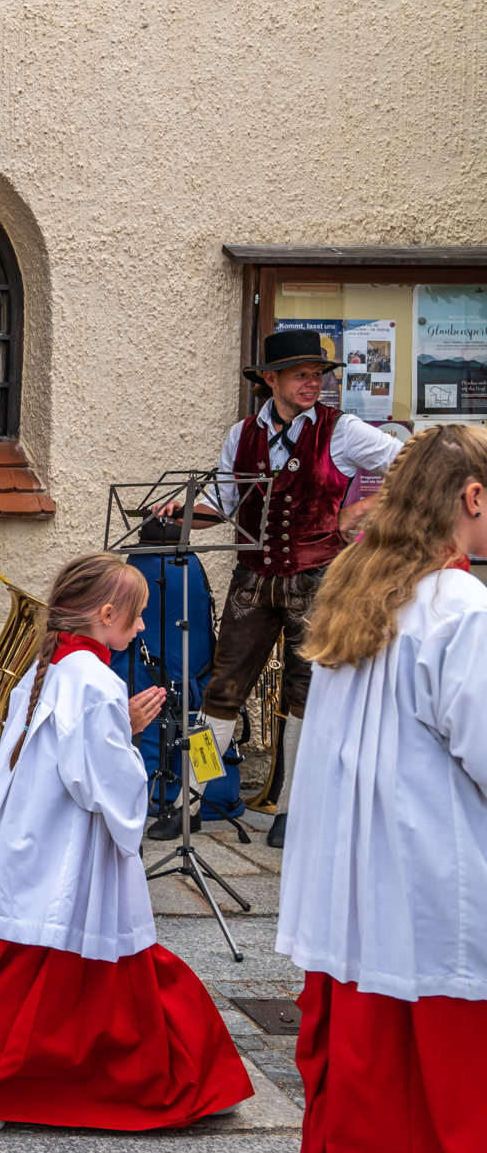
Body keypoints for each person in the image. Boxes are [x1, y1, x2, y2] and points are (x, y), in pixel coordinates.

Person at [0, 552, 251, 1133]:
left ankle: (151, 1075)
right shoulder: (93, 681)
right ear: (107, 614)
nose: (141, 627)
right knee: (43, 972)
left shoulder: (54, 668)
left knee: (54, 970)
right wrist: (130, 739)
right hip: (65, 858)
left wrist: (122, 726)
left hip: (37, 847)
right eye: (137, 616)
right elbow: (105, 785)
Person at [276, 424, 487, 1153]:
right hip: (433, 902)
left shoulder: (356, 591)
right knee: (444, 1117)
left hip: (356, 902)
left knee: (368, 1108)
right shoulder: (461, 606)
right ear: (472, 497)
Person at [162, 328, 402, 846]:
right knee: (222, 690)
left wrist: (364, 507)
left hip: (318, 582)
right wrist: (183, 513)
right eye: (300, 375)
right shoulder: (241, 434)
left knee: (305, 695)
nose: (313, 383)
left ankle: (291, 810)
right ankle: (189, 802)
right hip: (253, 580)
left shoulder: (342, 430)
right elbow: (224, 506)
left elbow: (410, 466)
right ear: (271, 379)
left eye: (317, 375)